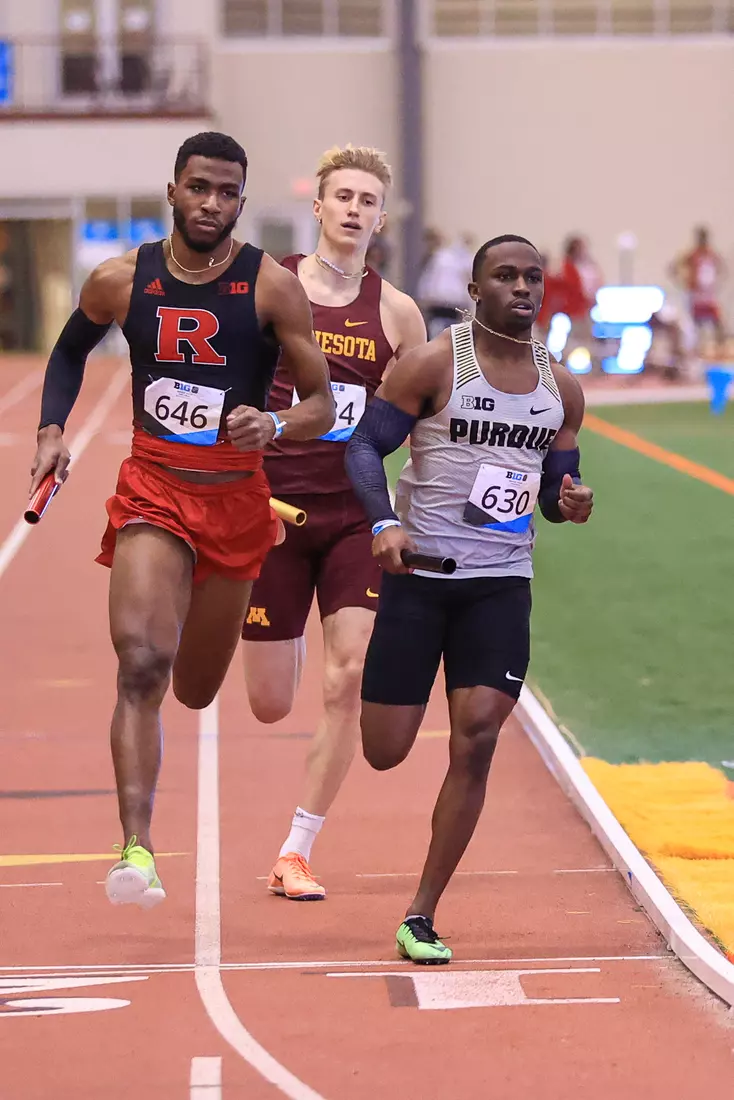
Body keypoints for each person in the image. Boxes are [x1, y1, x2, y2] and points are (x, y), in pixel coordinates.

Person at [28, 131, 334, 908]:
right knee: (138, 664)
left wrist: (277, 427)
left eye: (228, 192)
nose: (212, 203)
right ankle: (136, 847)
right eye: (199, 187)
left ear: (241, 198)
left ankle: (245, 638)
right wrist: (52, 430)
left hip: (235, 501)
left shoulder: (270, 288)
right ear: (172, 189)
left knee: (196, 689)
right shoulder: (122, 280)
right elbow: (68, 354)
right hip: (153, 489)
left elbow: (322, 403)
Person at [345, 235, 594, 962]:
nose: (522, 287)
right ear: (475, 289)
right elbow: (364, 447)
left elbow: (554, 491)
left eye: (532, 277)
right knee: (384, 749)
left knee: (478, 732)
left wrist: (569, 500)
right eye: (505, 276)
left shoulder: (561, 389)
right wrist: (384, 522)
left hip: (501, 583)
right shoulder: (432, 364)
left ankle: (421, 913)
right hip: (420, 577)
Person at [241, 144, 426, 901]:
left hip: (355, 516)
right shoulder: (269, 289)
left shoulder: (397, 313)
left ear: (381, 217)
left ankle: (297, 849)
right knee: (269, 702)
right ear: (317, 207)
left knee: (346, 676)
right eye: (341, 196)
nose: (353, 209)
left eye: (367, 200)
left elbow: (426, 416)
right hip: (271, 513)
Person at [671, 226, 726, 352]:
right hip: (696, 295)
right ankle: (696, 349)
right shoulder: (692, 255)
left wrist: (716, 284)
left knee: (717, 323)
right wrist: (684, 282)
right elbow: (674, 267)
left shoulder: (712, 255)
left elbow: (722, 269)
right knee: (696, 325)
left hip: (709, 295)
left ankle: (719, 349)